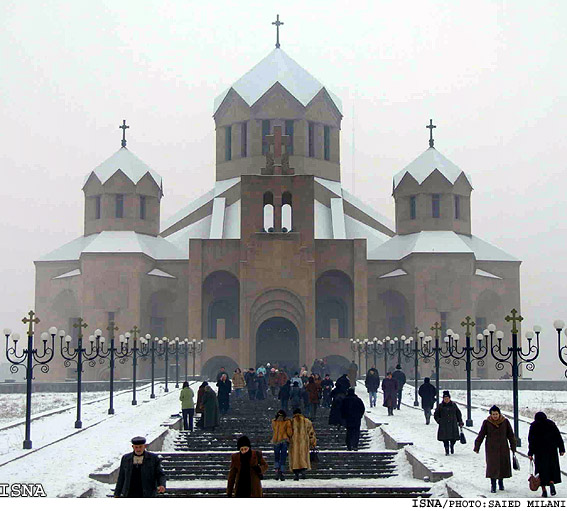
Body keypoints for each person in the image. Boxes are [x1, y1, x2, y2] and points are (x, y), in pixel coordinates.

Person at [473, 405, 517, 493]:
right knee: (492, 466)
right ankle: (493, 485)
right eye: (493, 414)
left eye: (496, 414)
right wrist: (477, 446)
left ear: (499, 414)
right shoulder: (486, 423)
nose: (495, 416)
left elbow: (511, 435)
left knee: (502, 465)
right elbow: (481, 434)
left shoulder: (505, 422)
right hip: (491, 449)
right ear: (490, 415)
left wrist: (513, 446)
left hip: (503, 447)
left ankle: (501, 482)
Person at [528, 411, 566, 498]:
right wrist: (561, 449)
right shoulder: (551, 424)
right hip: (551, 451)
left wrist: (530, 452)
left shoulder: (534, 426)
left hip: (539, 453)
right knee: (551, 469)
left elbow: (531, 441)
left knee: (541, 472)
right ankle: (551, 482)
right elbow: (558, 437)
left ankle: (544, 490)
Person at [289, 408, 317, 480]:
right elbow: (311, 433)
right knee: (303, 457)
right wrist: (313, 442)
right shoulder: (306, 421)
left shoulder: (291, 422)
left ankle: (296, 474)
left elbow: (288, 433)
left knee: (295, 459)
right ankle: (303, 471)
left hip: (294, 443)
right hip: (304, 443)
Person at [434, 391, 463, 455]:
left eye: (447, 398)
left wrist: (460, 421)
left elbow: (458, 413)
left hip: (453, 424)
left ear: (450, 398)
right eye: (445, 399)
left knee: (453, 438)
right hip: (444, 425)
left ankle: (452, 445)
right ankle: (446, 450)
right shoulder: (440, 406)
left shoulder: (453, 405)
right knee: (445, 439)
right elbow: (436, 415)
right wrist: (439, 421)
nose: (446, 400)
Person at [271, 409, 293, 480]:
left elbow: (274, 430)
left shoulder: (274, 421)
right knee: (283, 457)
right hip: (284, 440)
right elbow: (289, 432)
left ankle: (277, 471)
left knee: (276, 457)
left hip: (276, 440)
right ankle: (282, 472)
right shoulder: (287, 422)